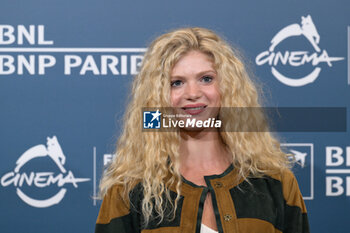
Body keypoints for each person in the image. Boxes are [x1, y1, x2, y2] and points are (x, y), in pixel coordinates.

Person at [95, 27, 310, 233]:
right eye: (176, 83)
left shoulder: (275, 182)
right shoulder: (128, 189)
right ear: (157, 98)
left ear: (228, 87)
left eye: (206, 79)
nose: (193, 93)